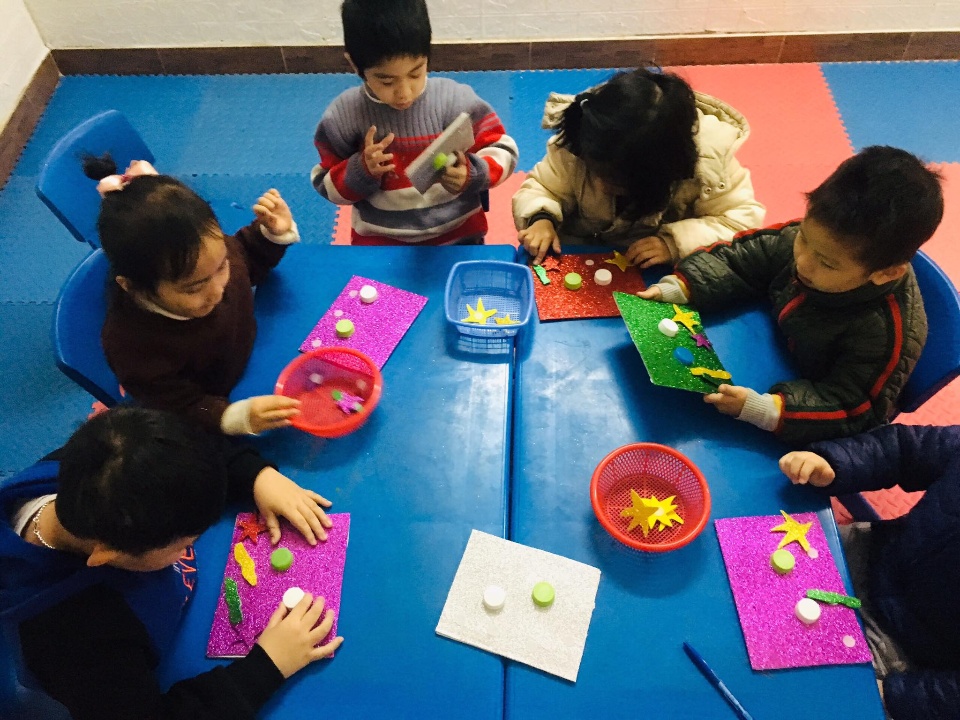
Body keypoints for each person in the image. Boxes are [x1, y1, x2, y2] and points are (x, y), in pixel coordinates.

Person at [0, 406, 341, 720]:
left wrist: (257, 477)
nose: (191, 548)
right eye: (186, 544)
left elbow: (195, 450)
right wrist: (267, 667)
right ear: (106, 557)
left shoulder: (96, 462)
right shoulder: (76, 645)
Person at [639, 146, 943, 446]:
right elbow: (742, 257)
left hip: (803, 413)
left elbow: (852, 408)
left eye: (827, 263)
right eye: (804, 238)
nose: (803, 262)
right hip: (761, 347)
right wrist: (684, 285)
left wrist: (768, 410)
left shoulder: (884, 334)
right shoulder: (820, 241)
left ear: (886, 274)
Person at [83, 155, 302, 436]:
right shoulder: (133, 347)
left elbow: (246, 255)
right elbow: (175, 408)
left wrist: (270, 234)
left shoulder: (207, 259)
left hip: (259, 353)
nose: (218, 290)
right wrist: (232, 417)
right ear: (132, 286)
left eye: (221, 266)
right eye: (194, 288)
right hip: (218, 404)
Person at [780, 424, 960, 720]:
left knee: (803, 698)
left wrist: (896, 697)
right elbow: (905, 450)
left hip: (906, 651)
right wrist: (834, 462)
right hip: (874, 553)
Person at [310, 0, 518, 246]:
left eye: (416, 73)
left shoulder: (456, 101)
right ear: (355, 65)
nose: (404, 93)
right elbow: (324, 184)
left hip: (459, 239)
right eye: (386, 81)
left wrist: (474, 174)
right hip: (381, 245)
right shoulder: (343, 117)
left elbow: (503, 149)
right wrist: (361, 171)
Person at [512, 67, 765, 265]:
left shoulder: (709, 165)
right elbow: (543, 187)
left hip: (659, 266)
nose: (602, 185)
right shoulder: (579, 141)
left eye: (616, 182)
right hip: (579, 254)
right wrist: (541, 218)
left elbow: (740, 222)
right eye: (597, 172)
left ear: (663, 172)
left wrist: (674, 243)